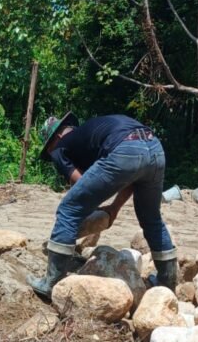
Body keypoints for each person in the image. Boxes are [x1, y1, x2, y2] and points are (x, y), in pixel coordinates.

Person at [29, 113, 178, 296]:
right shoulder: (90, 136)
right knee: (151, 219)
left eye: (49, 148)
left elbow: (82, 186)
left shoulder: (59, 148)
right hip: (154, 147)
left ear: (56, 137)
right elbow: (133, 176)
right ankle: (167, 284)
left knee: (68, 209)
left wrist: (84, 216)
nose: (51, 154)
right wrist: (114, 208)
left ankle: (51, 282)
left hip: (125, 150)